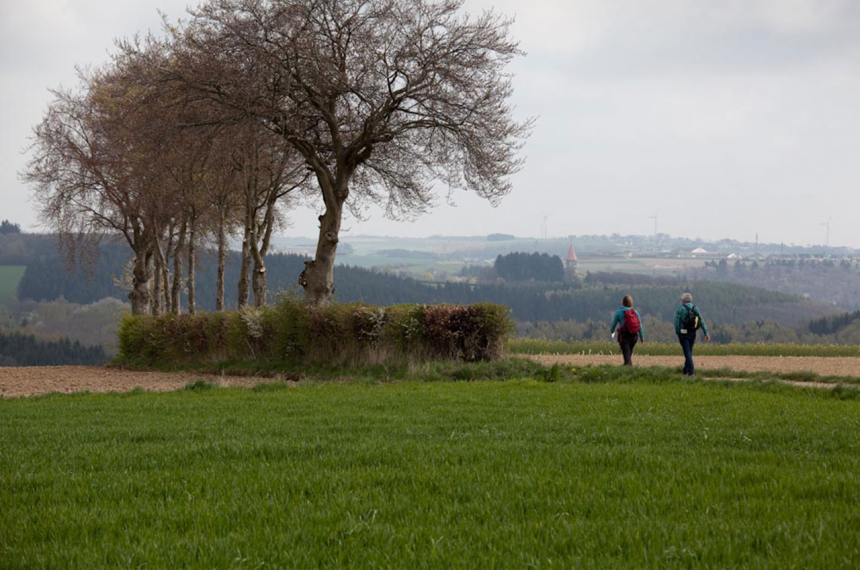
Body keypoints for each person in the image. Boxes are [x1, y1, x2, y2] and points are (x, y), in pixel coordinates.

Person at [674, 292, 710, 376]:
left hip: (683, 333)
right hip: (693, 333)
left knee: (687, 352)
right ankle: (685, 370)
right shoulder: (695, 308)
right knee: (689, 351)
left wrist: (677, 332)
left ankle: (691, 371)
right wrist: (706, 333)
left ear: (683, 300)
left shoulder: (680, 308)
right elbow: (701, 321)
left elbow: (677, 322)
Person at [610, 295, 644, 366]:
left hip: (625, 337)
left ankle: (628, 368)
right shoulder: (635, 312)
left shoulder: (619, 312)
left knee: (627, 358)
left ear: (623, 303)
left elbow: (613, 324)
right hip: (634, 337)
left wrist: (612, 331)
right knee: (628, 355)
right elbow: (640, 325)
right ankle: (627, 367)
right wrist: (642, 337)